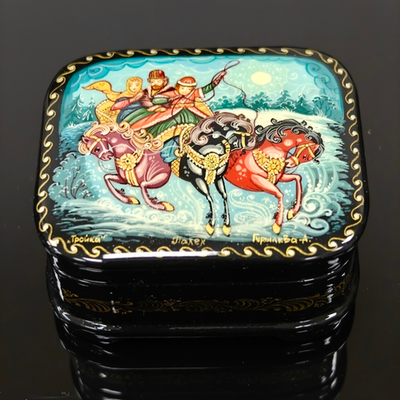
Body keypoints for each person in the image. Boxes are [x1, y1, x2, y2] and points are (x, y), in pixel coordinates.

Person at [125, 71, 227, 138]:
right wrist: (171, 99)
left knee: (206, 123)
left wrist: (217, 80)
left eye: (188, 89)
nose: (185, 91)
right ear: (178, 87)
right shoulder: (173, 93)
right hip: (174, 112)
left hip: (192, 112)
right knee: (160, 123)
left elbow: (207, 89)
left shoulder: (193, 93)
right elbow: (157, 100)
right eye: (182, 88)